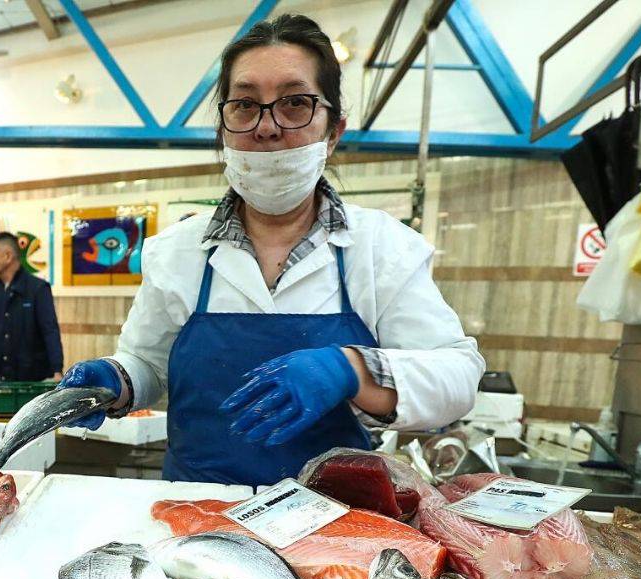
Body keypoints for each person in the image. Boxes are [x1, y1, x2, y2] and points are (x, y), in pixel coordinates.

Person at [57, 15, 482, 486]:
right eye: (244, 105)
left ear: (333, 130)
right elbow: (150, 366)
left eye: (295, 103)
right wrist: (114, 381)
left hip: (335, 517)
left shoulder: (381, 247)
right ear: (223, 128)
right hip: (193, 506)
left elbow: (458, 376)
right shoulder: (175, 251)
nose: (267, 127)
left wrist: (350, 369)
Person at [0, 232, 63, 384]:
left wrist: (57, 370)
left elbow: (49, 330)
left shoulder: (38, 288)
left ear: (8, 256)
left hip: (29, 379)